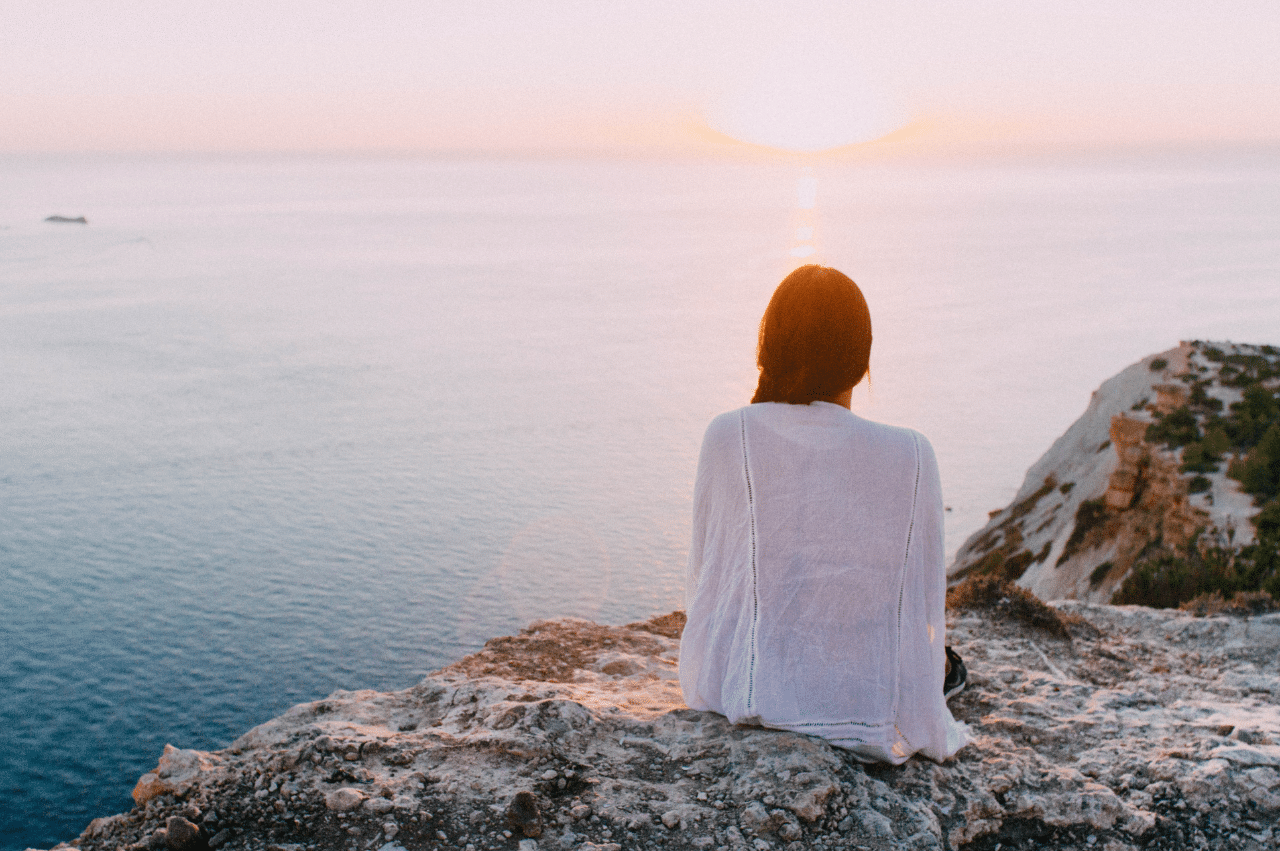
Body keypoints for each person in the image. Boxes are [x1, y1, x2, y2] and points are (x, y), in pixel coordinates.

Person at [678, 265, 969, 764]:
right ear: (860, 361)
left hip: (747, 687)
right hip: (865, 694)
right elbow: (921, 601)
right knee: (942, 664)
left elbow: (707, 584)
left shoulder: (728, 435)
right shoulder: (912, 453)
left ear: (768, 347)